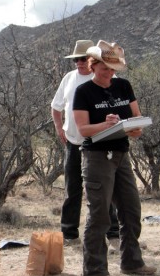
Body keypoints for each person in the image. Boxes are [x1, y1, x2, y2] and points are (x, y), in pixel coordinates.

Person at [73, 40, 156, 276]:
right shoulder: (84, 92)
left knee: (131, 209)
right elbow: (83, 129)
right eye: (104, 68)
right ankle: (95, 270)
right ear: (93, 65)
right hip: (97, 156)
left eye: (112, 69)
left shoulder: (124, 86)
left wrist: (134, 128)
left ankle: (132, 261)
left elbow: (136, 115)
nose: (109, 73)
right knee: (99, 214)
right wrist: (105, 125)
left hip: (121, 153)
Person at [51, 40, 120, 242]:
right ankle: (69, 233)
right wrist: (59, 128)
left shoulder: (102, 78)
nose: (79, 63)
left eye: (83, 59)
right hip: (74, 141)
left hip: (99, 143)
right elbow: (56, 106)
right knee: (72, 188)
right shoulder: (69, 78)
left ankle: (112, 231)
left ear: (92, 60)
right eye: (76, 60)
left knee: (103, 188)